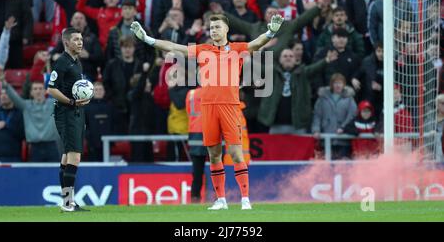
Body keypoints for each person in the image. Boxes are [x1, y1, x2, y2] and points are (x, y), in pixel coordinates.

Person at [130, 11, 287, 210]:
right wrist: (147, 39)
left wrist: (271, 32)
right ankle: (221, 200)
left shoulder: (237, 49)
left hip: (230, 107)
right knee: (213, 155)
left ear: (226, 29)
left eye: (217, 27)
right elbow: (173, 47)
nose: (213, 31)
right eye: (211, 28)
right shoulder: (203, 50)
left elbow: (256, 43)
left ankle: (245, 199)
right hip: (208, 108)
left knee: (236, 154)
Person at [47, 27, 91, 212]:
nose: (80, 42)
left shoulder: (76, 62)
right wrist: (71, 101)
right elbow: (51, 89)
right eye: (76, 39)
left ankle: (68, 201)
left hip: (75, 112)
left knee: (67, 155)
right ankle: (67, 203)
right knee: (74, 155)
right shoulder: (62, 62)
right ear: (66, 42)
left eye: (81, 39)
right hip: (66, 112)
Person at [311, 73, 358, 160]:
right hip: (326, 138)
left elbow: (352, 116)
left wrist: (343, 127)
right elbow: (317, 116)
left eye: (340, 83)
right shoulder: (322, 98)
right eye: (335, 83)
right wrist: (316, 130)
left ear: (344, 84)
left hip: (343, 140)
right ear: (331, 84)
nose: (338, 85)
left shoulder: (349, 99)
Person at [186, 87, 208, 202]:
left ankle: (195, 198)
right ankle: (219, 196)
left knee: (197, 170)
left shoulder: (191, 93)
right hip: (211, 131)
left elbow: (188, 111)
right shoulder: (215, 92)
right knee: (218, 167)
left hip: (195, 133)